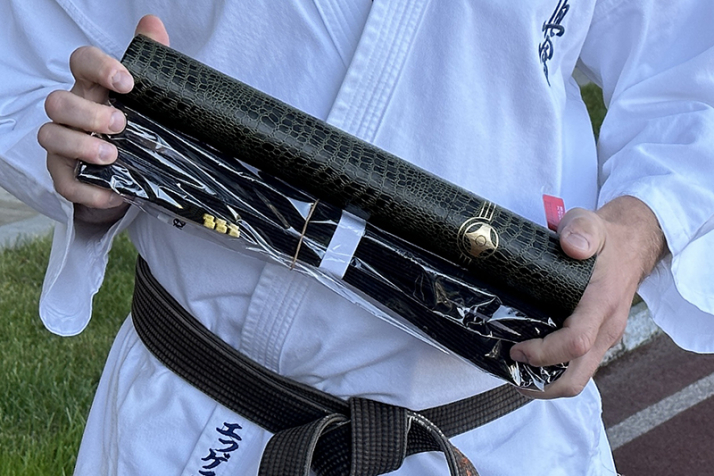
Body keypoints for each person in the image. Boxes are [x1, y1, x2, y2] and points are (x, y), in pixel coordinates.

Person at [1, 1, 713, 474]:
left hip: (490, 429)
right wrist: (82, 155)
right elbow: (31, 51)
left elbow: (687, 64)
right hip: (192, 409)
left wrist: (645, 221)